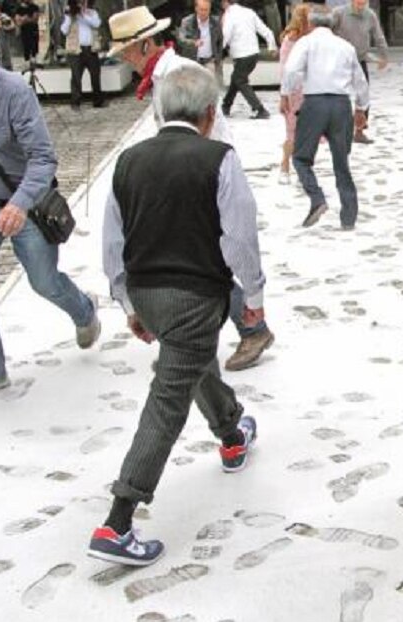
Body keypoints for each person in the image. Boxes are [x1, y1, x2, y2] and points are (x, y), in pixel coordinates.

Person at [93, 65, 265, 566]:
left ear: (162, 110)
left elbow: (112, 243)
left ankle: (232, 434)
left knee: (187, 363)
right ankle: (118, 519)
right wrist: (252, 296)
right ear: (210, 114)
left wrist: (128, 302)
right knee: (168, 397)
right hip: (195, 295)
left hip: (148, 292)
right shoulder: (219, 158)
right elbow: (239, 236)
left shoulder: (128, 161)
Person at [0, 20, 100, 403]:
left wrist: (19, 205)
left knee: (43, 282)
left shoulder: (15, 92)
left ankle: (84, 309)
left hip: (24, 203)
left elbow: (44, 159)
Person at [107, 5, 275, 371]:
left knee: (208, 260)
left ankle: (249, 329)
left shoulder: (182, 75)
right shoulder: (161, 77)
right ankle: (199, 339)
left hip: (203, 178)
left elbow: (211, 134)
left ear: (146, 45)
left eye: (126, 54)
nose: (126, 61)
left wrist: (200, 180)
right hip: (187, 175)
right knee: (200, 259)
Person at [283, 6, 368, 231]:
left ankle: (317, 198)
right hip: (341, 105)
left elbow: (291, 71)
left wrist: (287, 94)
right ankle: (348, 216)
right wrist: (361, 107)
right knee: (342, 162)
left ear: (311, 23)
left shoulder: (306, 43)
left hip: (315, 103)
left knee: (301, 158)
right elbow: (360, 81)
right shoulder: (345, 46)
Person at [332, 0, 386, 144]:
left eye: (364, 3)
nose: (361, 5)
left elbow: (378, 35)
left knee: (363, 94)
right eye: (358, 2)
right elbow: (326, 32)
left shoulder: (370, 15)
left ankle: (359, 131)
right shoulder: (339, 13)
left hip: (360, 59)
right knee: (338, 95)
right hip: (340, 61)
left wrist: (383, 55)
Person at [220, 0, 275, 119]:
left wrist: (218, 51)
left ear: (225, 2)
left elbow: (226, 35)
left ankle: (260, 109)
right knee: (236, 79)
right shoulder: (249, 12)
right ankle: (226, 106)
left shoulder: (230, 15)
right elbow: (265, 30)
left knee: (239, 80)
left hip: (241, 54)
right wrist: (271, 45)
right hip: (253, 54)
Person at [277, 2, 310, 184]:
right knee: (292, 132)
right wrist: (284, 95)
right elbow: (284, 69)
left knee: (307, 132)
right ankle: (285, 165)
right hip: (293, 92)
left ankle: (302, 167)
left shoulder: (311, 38)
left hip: (310, 91)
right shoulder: (290, 40)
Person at [60, 0, 104, 110]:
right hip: (76, 51)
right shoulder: (70, 15)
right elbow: (64, 31)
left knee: (95, 75)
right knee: (76, 77)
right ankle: (75, 102)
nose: (82, 4)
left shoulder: (92, 13)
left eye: (84, 2)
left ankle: (97, 101)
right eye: (80, 2)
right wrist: (70, 17)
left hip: (91, 49)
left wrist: (84, 14)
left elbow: (97, 23)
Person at [177, 0, 223, 87]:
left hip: (209, 61)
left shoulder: (215, 22)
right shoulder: (187, 21)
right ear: (196, 9)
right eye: (201, 9)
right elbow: (180, 39)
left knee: (211, 88)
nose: (204, 12)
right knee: (192, 87)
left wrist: (218, 58)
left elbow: (220, 40)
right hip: (192, 61)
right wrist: (193, 42)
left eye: (207, 10)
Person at [13, 0, 39, 67]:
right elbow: (17, 19)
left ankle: (34, 60)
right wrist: (23, 19)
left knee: (33, 45)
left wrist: (24, 19)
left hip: (33, 30)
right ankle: (26, 61)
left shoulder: (34, 7)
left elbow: (35, 18)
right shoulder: (19, 8)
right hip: (24, 30)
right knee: (25, 45)